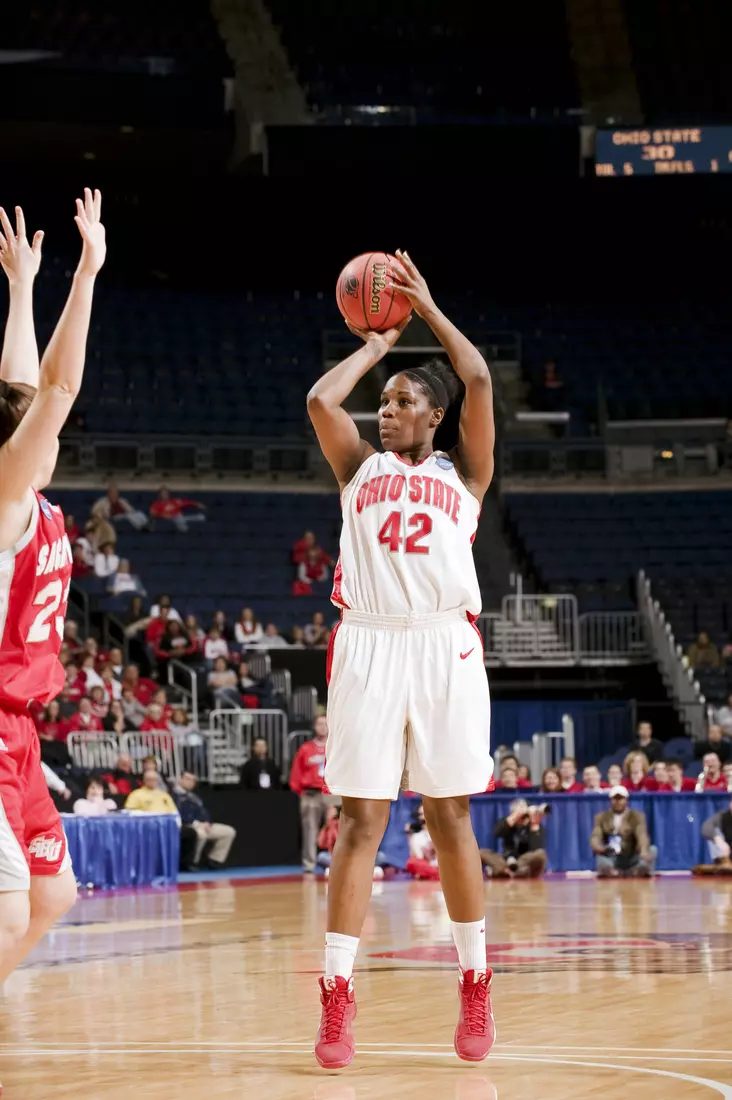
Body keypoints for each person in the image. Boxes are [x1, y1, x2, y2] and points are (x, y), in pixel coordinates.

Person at [307, 250, 496, 1068]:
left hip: (445, 642)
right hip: (369, 639)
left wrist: (428, 311)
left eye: (402, 402)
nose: (386, 412)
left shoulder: (468, 473)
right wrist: (378, 346)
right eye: (383, 403)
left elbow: (478, 376)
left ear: (435, 417)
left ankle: (476, 982)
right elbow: (321, 400)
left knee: (450, 815)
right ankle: (336, 996)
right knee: (361, 822)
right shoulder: (359, 467)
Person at [0, 190, 105, 1005]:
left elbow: (22, 386)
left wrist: (21, 287)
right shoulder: (3, 494)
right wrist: (86, 275)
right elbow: (56, 388)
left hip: (20, 731)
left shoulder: (24, 493)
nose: (53, 426)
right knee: (9, 914)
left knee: (54, 896)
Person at [289, 716, 333, 873]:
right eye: (319, 724)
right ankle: (309, 864)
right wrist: (300, 791)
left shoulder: (335, 748)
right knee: (310, 830)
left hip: (331, 793)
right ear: (314, 727)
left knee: (335, 829)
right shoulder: (305, 749)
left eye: (325, 724)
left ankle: (335, 863)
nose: (322, 727)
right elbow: (296, 772)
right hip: (311, 793)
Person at [172, 772, 236, 869]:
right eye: (187, 779)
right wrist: (197, 823)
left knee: (229, 831)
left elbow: (204, 812)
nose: (190, 782)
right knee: (201, 834)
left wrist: (207, 822)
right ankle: (193, 862)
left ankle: (214, 860)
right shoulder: (173, 795)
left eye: (193, 781)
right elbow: (178, 814)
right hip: (188, 826)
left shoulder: (194, 797)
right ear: (180, 779)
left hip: (203, 825)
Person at [590, 787, 656, 878]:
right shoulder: (601, 817)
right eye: (615, 799)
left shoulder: (636, 816)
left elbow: (642, 835)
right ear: (610, 800)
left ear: (626, 800)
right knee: (601, 859)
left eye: (620, 799)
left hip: (632, 854)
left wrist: (643, 851)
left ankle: (637, 870)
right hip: (611, 855)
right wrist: (599, 848)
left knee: (652, 849)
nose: (618, 802)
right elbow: (595, 836)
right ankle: (613, 872)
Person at [479, 800, 548, 879]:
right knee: (481, 852)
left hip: (523, 860)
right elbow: (497, 833)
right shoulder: (506, 821)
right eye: (520, 808)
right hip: (506, 859)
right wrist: (515, 817)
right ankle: (514, 871)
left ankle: (504, 871)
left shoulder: (532, 824)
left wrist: (533, 824)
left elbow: (537, 847)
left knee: (541, 854)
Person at [405, 802, 440, 881]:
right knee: (411, 862)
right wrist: (409, 837)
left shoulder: (440, 832)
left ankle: (436, 874)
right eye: (421, 814)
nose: (423, 817)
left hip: (440, 864)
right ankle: (436, 874)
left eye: (425, 813)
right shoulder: (416, 836)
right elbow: (417, 857)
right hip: (427, 866)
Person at [700, 797, 732, 866]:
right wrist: (718, 839)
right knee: (716, 832)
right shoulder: (722, 816)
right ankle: (722, 864)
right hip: (727, 852)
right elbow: (706, 827)